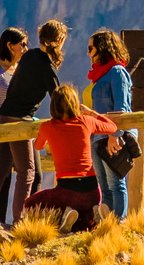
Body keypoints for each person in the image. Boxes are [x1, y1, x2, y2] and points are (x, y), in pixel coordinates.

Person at [0, 19, 67, 223]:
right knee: (27, 172)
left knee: (1, 168)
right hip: (19, 120)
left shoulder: (28, 57)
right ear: (59, 40)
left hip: (4, 117)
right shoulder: (46, 65)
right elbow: (58, 97)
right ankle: (21, 221)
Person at [22, 84, 122, 230]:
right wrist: (91, 113)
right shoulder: (86, 121)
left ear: (53, 105)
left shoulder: (47, 127)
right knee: (84, 226)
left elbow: (38, 146)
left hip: (67, 193)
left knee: (29, 204)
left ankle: (66, 213)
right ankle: (94, 213)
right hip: (93, 192)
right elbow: (112, 127)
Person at [87, 29, 134, 219]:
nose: (88, 53)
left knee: (116, 184)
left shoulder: (117, 71)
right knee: (104, 186)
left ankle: (120, 225)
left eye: (91, 48)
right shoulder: (99, 75)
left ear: (103, 48)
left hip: (112, 136)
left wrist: (115, 135)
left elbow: (121, 106)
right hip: (97, 137)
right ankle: (106, 227)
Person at [0, 27, 27, 125]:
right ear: (10, 46)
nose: (26, 49)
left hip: (22, 127)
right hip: (2, 128)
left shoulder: (23, 70)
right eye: (22, 45)